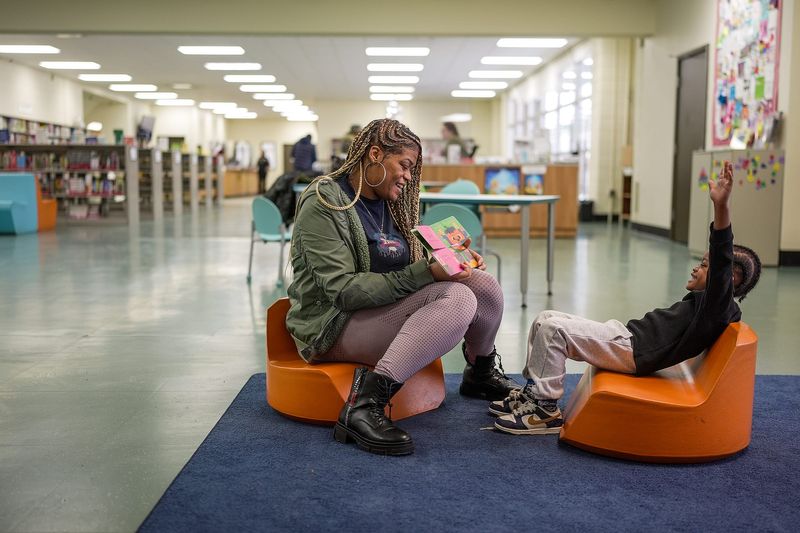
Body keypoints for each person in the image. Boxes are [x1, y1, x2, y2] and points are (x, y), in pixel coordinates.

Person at [286, 118, 518, 455]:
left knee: (482, 285)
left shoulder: (392, 203)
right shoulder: (325, 201)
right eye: (405, 165)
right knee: (457, 299)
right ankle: (362, 407)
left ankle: (480, 373)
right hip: (332, 323)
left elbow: (402, 264)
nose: (409, 176)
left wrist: (452, 260)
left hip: (377, 313)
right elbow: (344, 291)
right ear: (375, 155)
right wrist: (428, 273)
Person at [491, 161, 761, 435]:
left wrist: (721, 207)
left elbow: (722, 253)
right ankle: (532, 393)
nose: (695, 267)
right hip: (626, 337)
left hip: (633, 352)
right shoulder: (707, 304)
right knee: (545, 318)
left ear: (730, 279)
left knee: (554, 330)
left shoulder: (718, 305)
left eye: (705, 265)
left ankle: (544, 410)